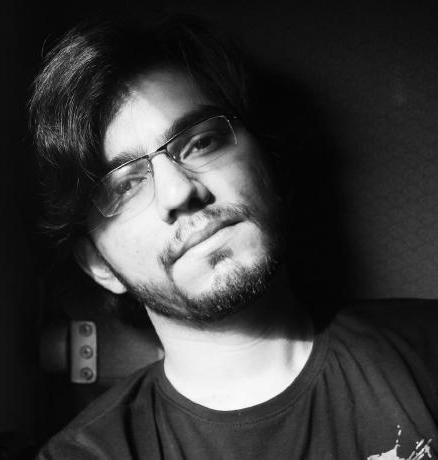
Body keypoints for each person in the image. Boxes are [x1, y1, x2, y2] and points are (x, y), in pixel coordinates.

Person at [30, 13, 438, 460]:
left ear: (267, 164)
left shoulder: (426, 349)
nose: (179, 192)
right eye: (124, 187)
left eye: (201, 142)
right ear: (99, 265)